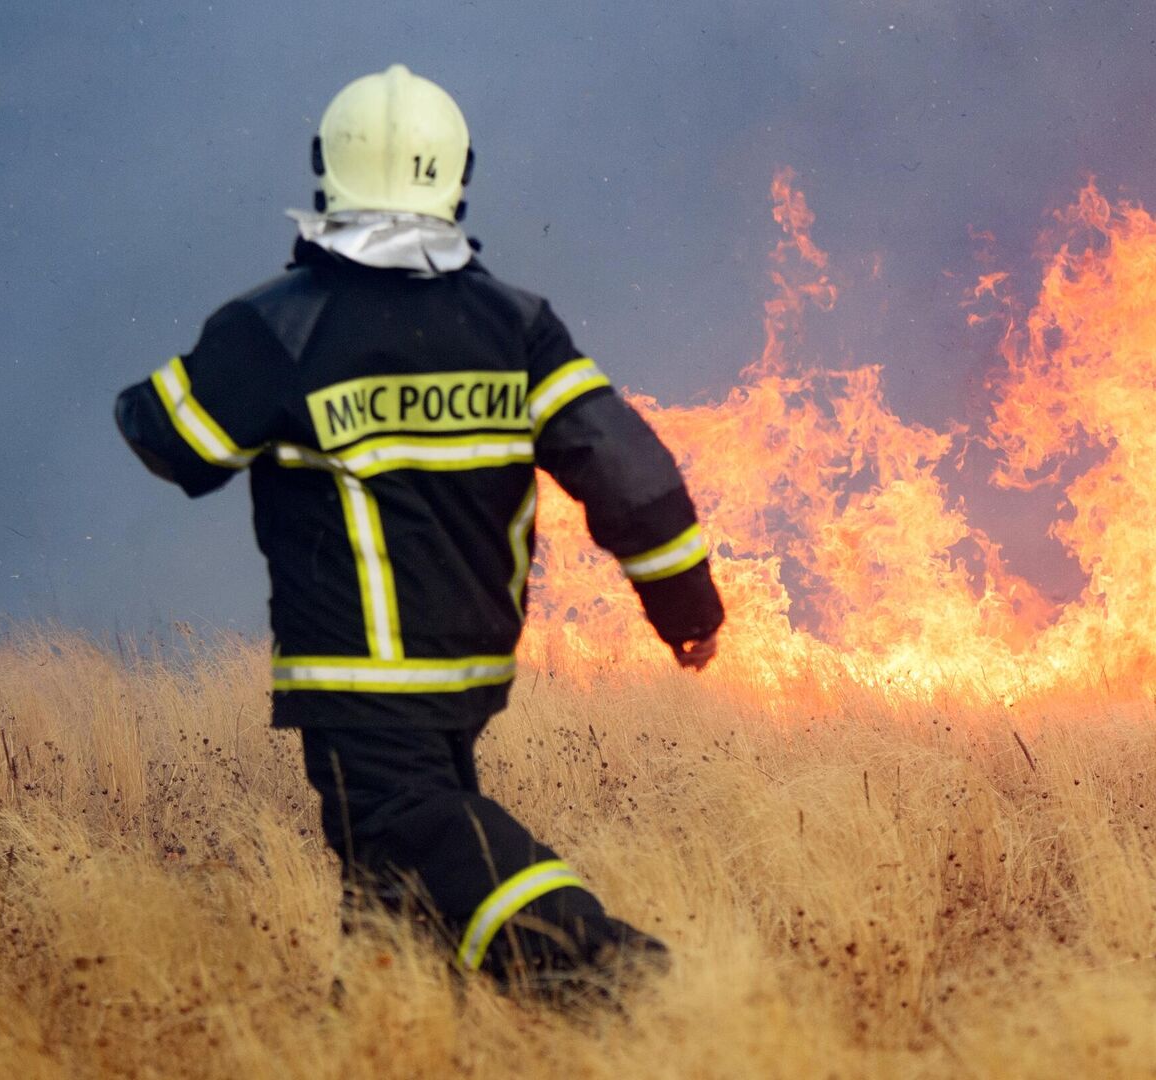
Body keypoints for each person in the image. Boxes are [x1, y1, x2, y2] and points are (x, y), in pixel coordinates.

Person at [114, 64, 723, 996]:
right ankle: (382, 1032)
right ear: (455, 175)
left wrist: (189, 380)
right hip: (468, 668)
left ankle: (617, 979)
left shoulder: (280, 328)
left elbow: (169, 437)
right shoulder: (518, 327)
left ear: (328, 168)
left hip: (357, 676)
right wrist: (688, 611)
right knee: (388, 885)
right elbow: (629, 475)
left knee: (414, 832)